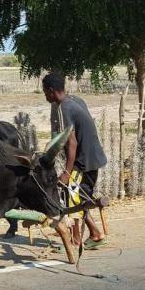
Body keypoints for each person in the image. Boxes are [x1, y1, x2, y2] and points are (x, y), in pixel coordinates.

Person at [42, 72, 108, 249]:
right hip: (94, 157)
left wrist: (66, 171)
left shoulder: (63, 108)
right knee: (79, 198)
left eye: (44, 92)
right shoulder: (76, 100)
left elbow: (72, 143)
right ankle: (94, 234)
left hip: (82, 161)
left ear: (51, 91)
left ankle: (78, 239)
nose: (45, 96)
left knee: (72, 198)